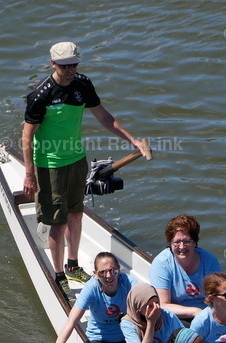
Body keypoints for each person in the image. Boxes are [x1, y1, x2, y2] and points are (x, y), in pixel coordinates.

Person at [22, 41, 144, 300]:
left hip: (77, 160)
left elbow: (103, 116)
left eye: (74, 64)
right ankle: (58, 276)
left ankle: (73, 265)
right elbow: (27, 135)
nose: (70, 70)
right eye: (65, 65)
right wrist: (29, 174)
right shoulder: (40, 95)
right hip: (50, 164)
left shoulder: (83, 85)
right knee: (58, 221)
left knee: (76, 214)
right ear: (53, 63)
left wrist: (132, 140)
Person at [47, 251, 134, 343]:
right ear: (96, 274)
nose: (109, 276)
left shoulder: (129, 282)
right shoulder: (91, 288)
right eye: (102, 272)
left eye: (112, 271)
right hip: (100, 339)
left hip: (126, 336)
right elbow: (72, 320)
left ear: (118, 269)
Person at [149, 214, 222, 319]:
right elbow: (163, 305)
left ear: (195, 242)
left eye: (187, 241)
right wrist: (195, 312)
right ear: (170, 243)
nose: (182, 247)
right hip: (176, 317)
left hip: (207, 315)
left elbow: (219, 296)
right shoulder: (162, 264)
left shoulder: (210, 260)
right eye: (177, 242)